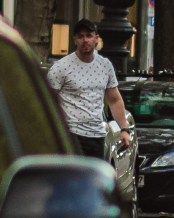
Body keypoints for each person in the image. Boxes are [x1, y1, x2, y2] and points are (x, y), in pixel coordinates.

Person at [49, 20, 131, 156]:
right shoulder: (61, 67)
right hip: (71, 135)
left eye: (88, 35)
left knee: (95, 177)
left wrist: (124, 129)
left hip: (97, 135)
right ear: (74, 40)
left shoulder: (105, 65)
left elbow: (114, 100)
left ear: (96, 38)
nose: (85, 40)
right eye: (80, 36)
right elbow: (48, 99)